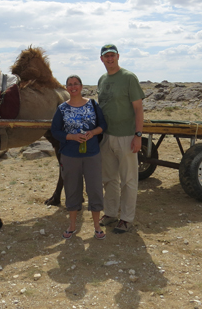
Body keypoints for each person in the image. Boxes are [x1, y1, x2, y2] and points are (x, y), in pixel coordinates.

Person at [51, 75, 108, 240]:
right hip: (69, 155)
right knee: (72, 189)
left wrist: (93, 132)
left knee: (95, 189)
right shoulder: (62, 109)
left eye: (76, 84)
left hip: (92, 154)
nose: (73, 87)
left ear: (81, 86)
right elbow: (55, 131)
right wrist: (71, 137)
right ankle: (72, 225)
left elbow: (103, 125)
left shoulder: (92, 104)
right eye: (69, 84)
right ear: (66, 88)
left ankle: (97, 227)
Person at [97, 44, 146, 234]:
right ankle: (110, 213)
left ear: (118, 56)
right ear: (101, 59)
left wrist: (138, 136)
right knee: (109, 178)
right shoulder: (102, 79)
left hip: (126, 136)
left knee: (128, 179)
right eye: (106, 56)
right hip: (106, 137)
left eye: (112, 55)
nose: (109, 59)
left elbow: (138, 108)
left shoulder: (128, 78)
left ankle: (126, 218)